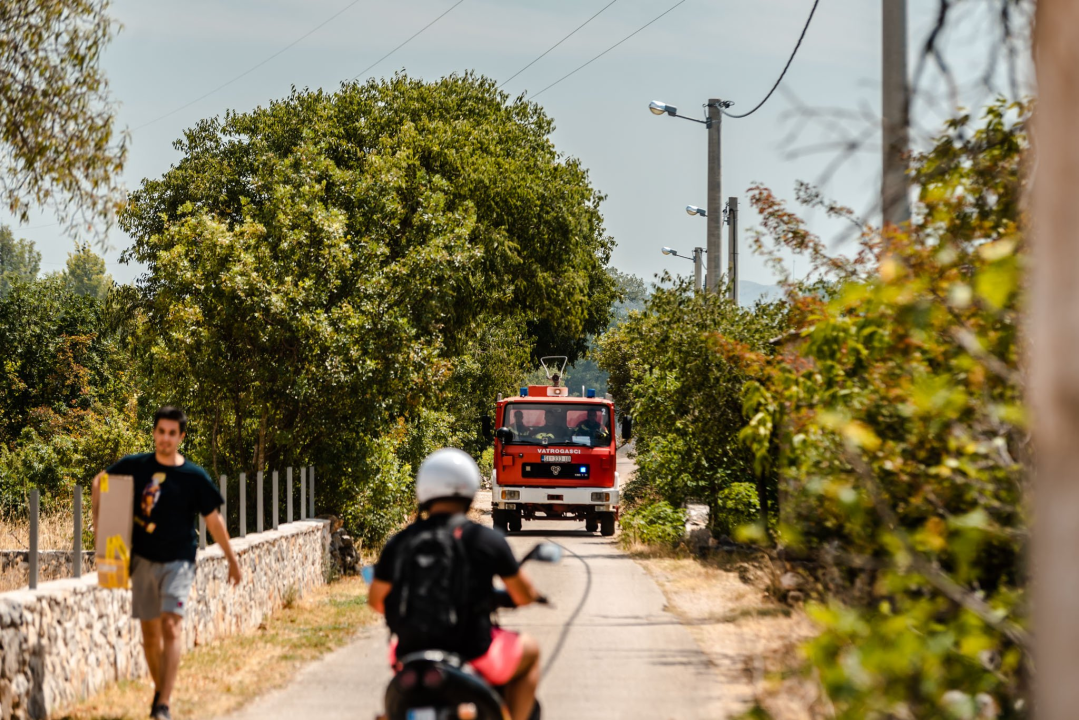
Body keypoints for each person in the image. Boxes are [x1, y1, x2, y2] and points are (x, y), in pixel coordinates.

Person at [368, 448, 544, 720]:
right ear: (470, 489)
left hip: (410, 653)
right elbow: (522, 595)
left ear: (424, 489)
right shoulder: (486, 539)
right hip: (475, 650)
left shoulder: (401, 541)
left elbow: (376, 600)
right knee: (531, 650)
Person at [92, 406, 242, 720]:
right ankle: (161, 693)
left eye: (172, 433)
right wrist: (103, 534)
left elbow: (213, 522)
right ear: (155, 432)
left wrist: (231, 559)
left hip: (179, 562)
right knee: (149, 635)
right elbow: (98, 483)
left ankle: (163, 704)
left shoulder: (194, 476)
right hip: (142, 561)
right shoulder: (137, 466)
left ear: (181, 437)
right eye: (161, 431)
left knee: (171, 626)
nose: (165, 438)